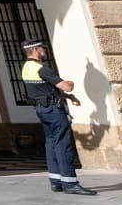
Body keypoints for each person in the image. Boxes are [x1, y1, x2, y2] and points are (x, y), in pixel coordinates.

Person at [21, 38, 96, 196]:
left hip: (41, 109)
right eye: (42, 48)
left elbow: (45, 89)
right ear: (35, 50)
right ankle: (70, 183)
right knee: (63, 143)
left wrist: (70, 98)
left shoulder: (26, 67)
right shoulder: (42, 68)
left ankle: (56, 182)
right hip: (53, 110)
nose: (44, 50)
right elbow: (66, 86)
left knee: (51, 143)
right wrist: (71, 84)